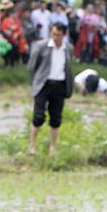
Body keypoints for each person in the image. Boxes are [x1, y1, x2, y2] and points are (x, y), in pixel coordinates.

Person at [28, 23, 74, 157]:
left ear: (63, 35)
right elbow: (31, 67)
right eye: (53, 34)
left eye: (58, 35)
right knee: (38, 116)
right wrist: (35, 83)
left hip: (59, 85)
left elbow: (69, 67)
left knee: (56, 118)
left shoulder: (68, 48)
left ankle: (52, 148)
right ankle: (32, 145)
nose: (55, 37)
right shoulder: (42, 46)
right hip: (43, 84)